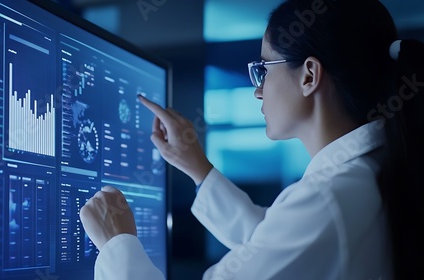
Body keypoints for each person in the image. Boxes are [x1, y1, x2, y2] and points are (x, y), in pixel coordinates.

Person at [79, 0, 424, 279]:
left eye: (264, 69)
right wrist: (199, 168)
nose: (258, 90)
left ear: (309, 75)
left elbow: (293, 234)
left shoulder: (328, 197)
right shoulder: (367, 172)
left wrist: (118, 244)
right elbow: (275, 242)